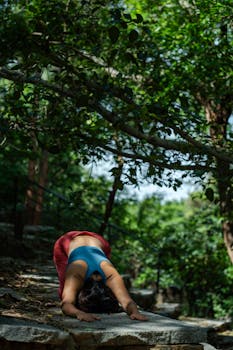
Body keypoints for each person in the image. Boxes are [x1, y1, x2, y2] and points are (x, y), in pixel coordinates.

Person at [53, 230, 148, 322]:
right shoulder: (76, 272)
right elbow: (66, 304)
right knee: (63, 293)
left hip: (99, 241)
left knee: (69, 292)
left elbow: (127, 302)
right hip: (66, 242)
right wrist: (78, 313)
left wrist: (135, 312)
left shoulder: (110, 275)